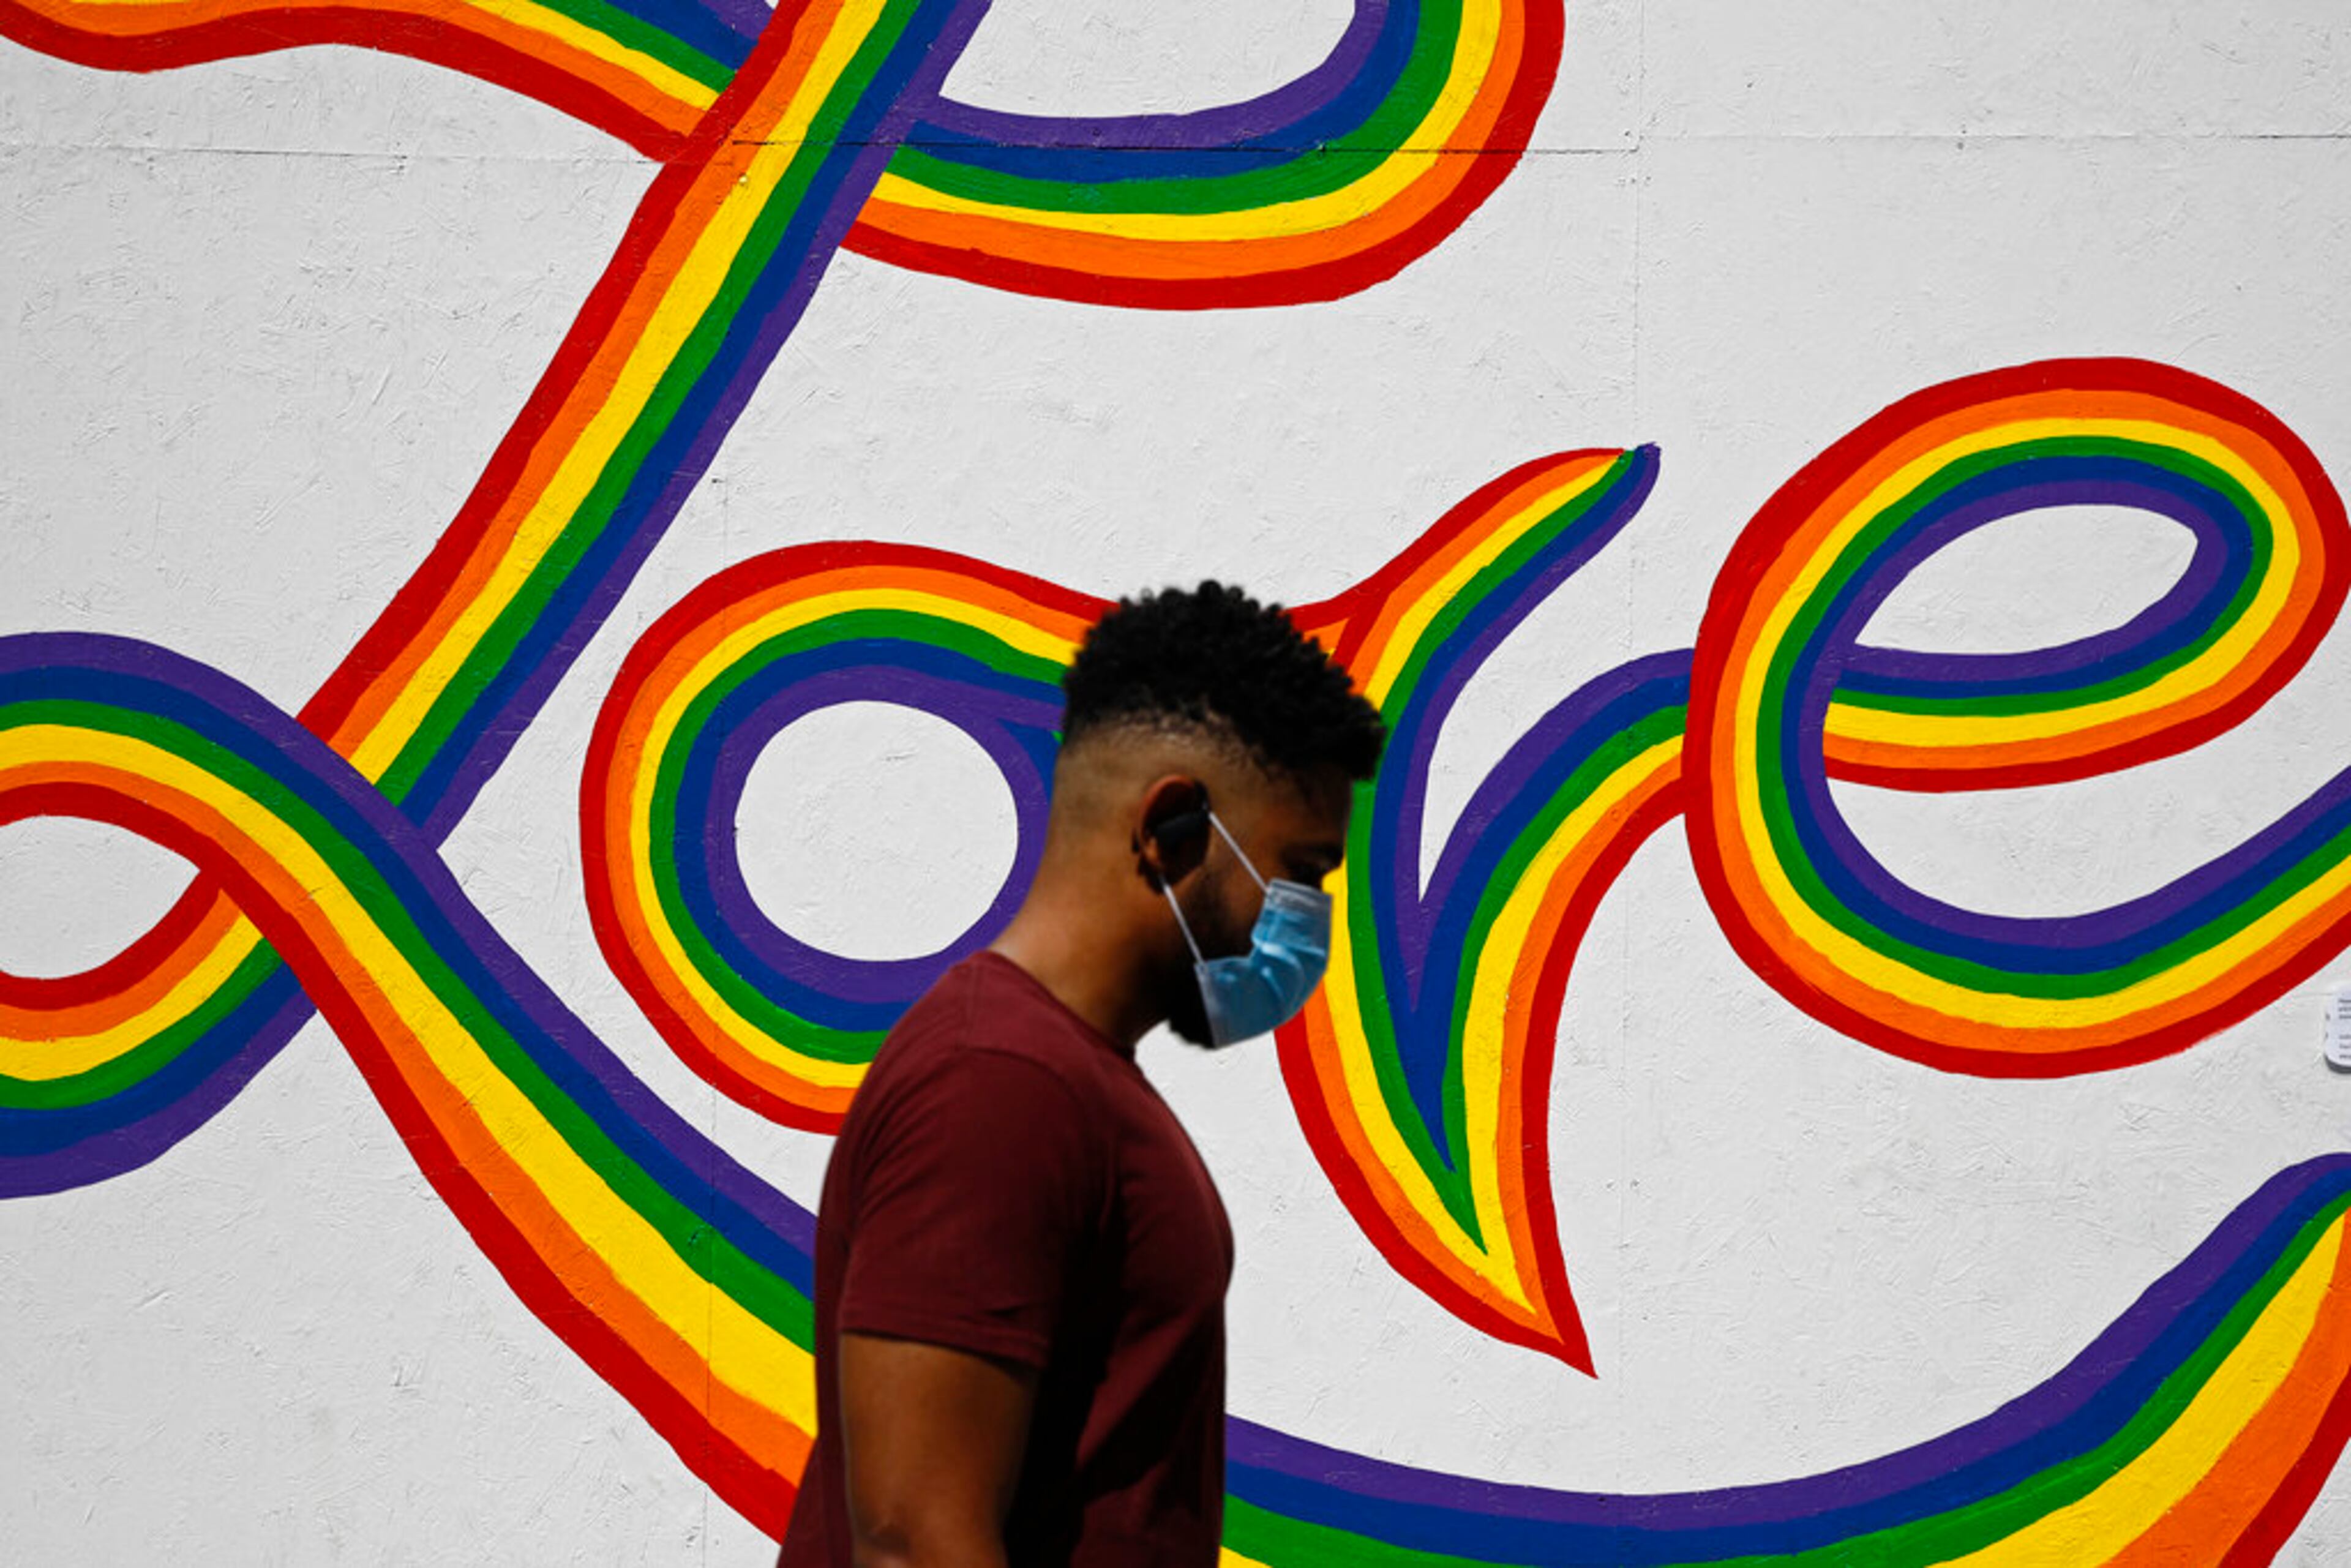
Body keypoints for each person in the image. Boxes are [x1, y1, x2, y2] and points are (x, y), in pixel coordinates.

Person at [774, 581, 1385, 1568]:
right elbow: (913, 1543)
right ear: (1173, 827)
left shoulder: (1058, 1077)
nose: (1307, 922)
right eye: (1302, 872)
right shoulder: (997, 1085)